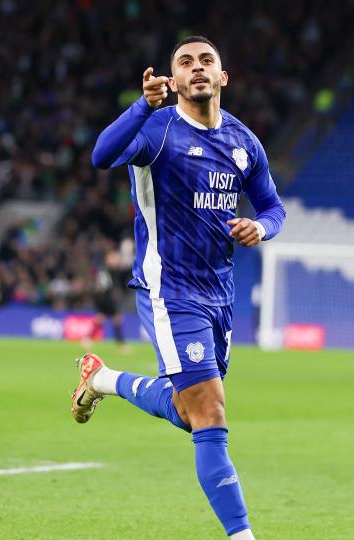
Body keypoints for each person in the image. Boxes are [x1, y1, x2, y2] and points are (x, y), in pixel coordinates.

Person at [71, 36, 285, 540]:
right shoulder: (157, 129)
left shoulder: (243, 142)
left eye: (206, 61)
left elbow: (273, 207)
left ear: (222, 76)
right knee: (211, 411)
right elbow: (102, 156)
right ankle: (242, 535)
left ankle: (102, 380)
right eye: (184, 63)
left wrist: (263, 228)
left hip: (220, 294)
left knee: (192, 414)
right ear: (174, 78)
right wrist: (141, 105)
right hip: (169, 289)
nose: (196, 69)